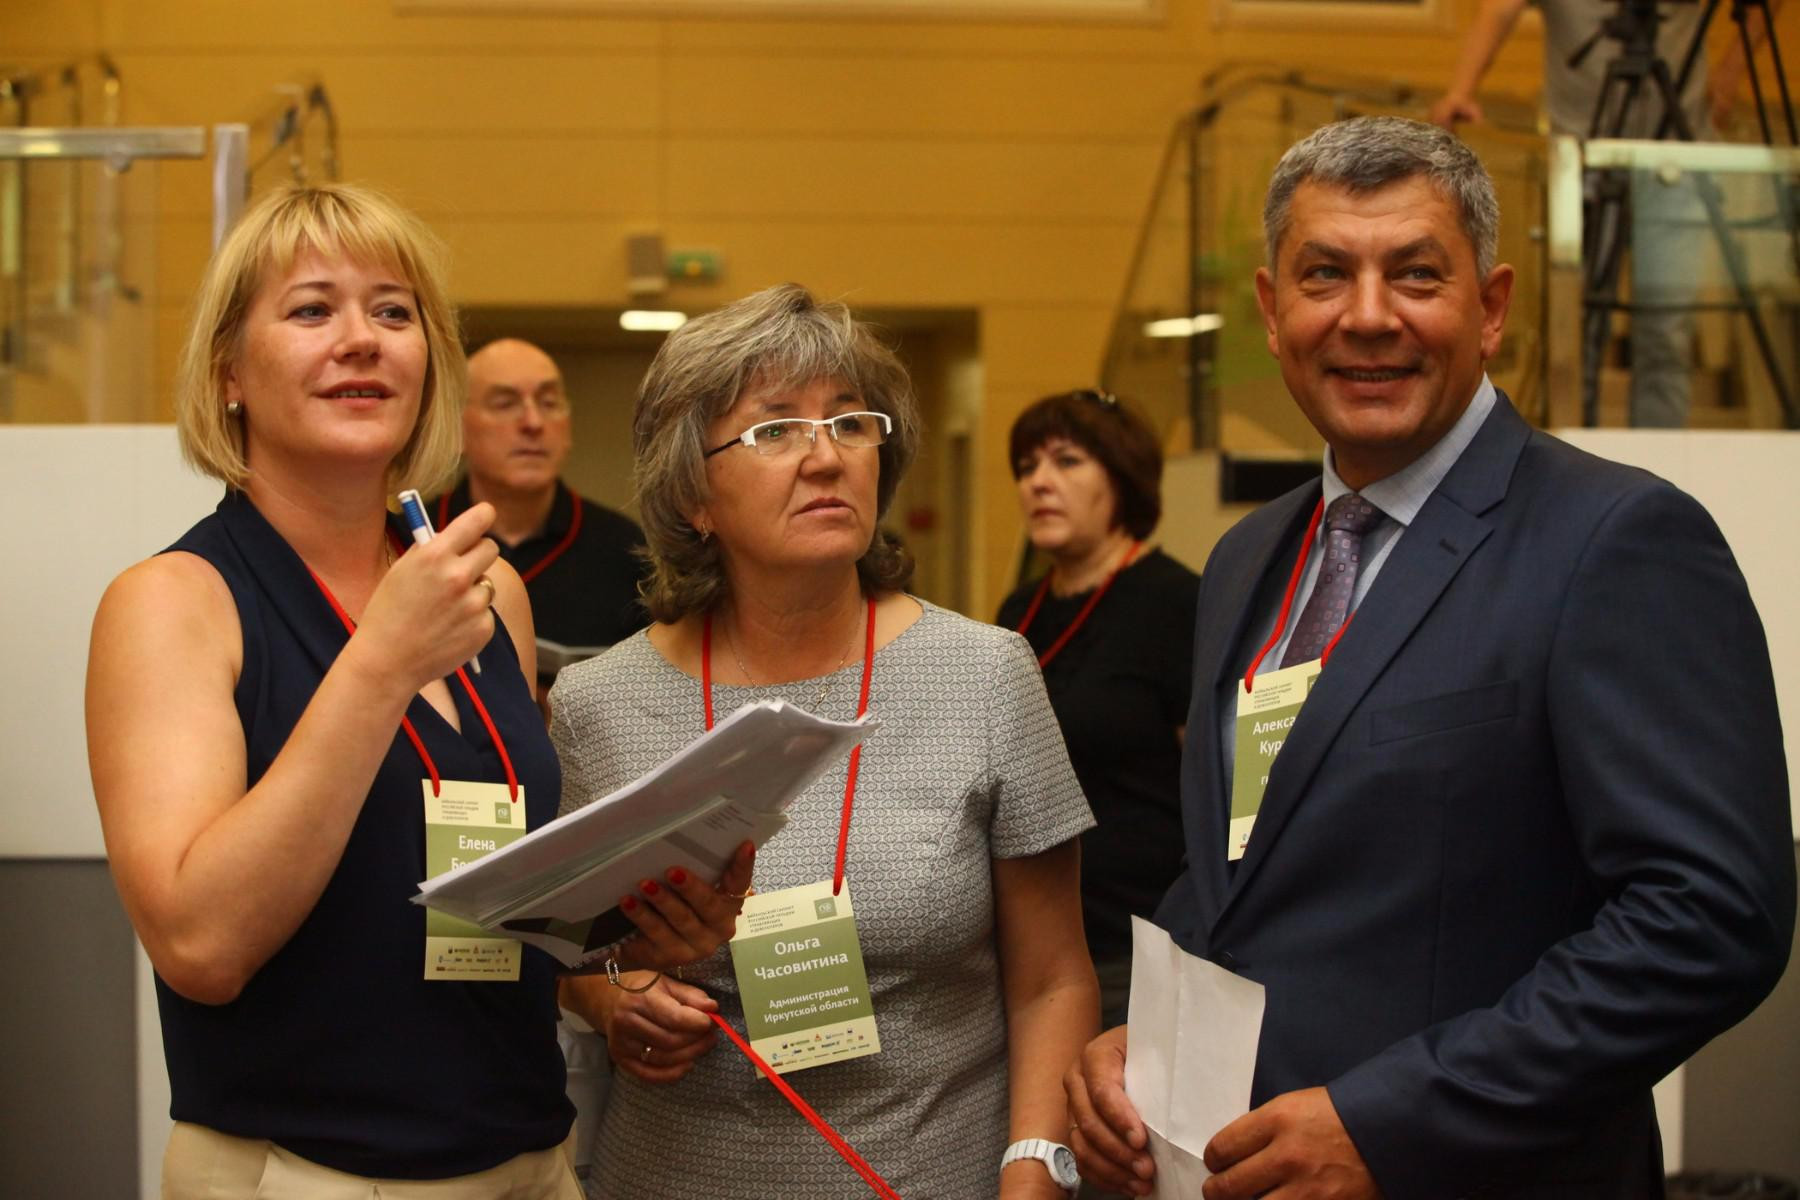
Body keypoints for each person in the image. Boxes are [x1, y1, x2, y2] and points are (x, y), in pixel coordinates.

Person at [1064, 117, 1793, 1200]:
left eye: (1415, 274)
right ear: (1271, 309)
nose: (1368, 316)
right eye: (1325, 274)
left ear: (1491, 308)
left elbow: (1708, 920)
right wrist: (1148, 1037)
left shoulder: (1614, 540)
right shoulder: (1247, 558)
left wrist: (1394, 1123)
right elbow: (1246, 873)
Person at [85, 182, 750, 1197]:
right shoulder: (174, 603)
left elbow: (490, 911)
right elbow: (202, 947)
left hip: (531, 1160)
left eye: (392, 313)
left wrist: (627, 954)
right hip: (309, 1171)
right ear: (229, 372)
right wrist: (380, 663)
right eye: (313, 310)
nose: (361, 340)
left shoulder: (487, 591)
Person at [552, 283, 1100, 1199]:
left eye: (850, 423)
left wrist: (1034, 1173)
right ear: (693, 495)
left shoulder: (985, 675)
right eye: (775, 430)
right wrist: (616, 1002)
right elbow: (571, 958)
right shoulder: (599, 703)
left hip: (927, 1177)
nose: (826, 456)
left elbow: (1053, 980)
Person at [1427, 0, 1744, 428]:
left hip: (1676, 158)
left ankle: (1658, 460)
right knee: (1578, 333)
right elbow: (1501, 7)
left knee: (1666, 334)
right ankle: (1573, 450)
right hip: (1580, 160)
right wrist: (1461, 90)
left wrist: (1730, 74)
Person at [996, 389, 1199, 1031]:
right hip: (1026, 941)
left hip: (1136, 948)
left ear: (1122, 479)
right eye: (1027, 467)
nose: (1039, 482)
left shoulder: (1178, 603)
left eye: (1067, 461)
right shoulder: (1018, 611)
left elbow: (1213, 794)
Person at [433, 338, 649, 687]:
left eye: (549, 403)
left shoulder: (627, 549)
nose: (533, 422)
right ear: (458, 427)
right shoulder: (418, 537)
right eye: (505, 404)